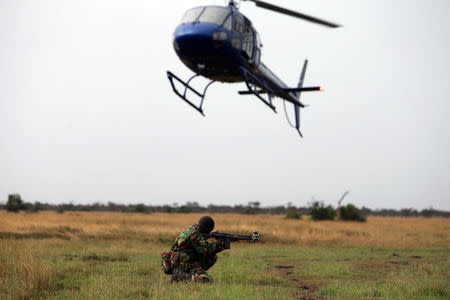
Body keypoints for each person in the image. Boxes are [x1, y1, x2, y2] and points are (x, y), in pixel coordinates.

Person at [161, 216, 232, 282]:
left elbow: (205, 248)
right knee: (206, 279)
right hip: (183, 261)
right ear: (205, 228)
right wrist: (219, 243)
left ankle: (186, 273)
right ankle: (182, 275)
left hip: (184, 260)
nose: (210, 232)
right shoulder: (194, 234)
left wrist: (222, 242)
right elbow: (205, 251)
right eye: (209, 230)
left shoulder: (193, 229)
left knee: (213, 257)